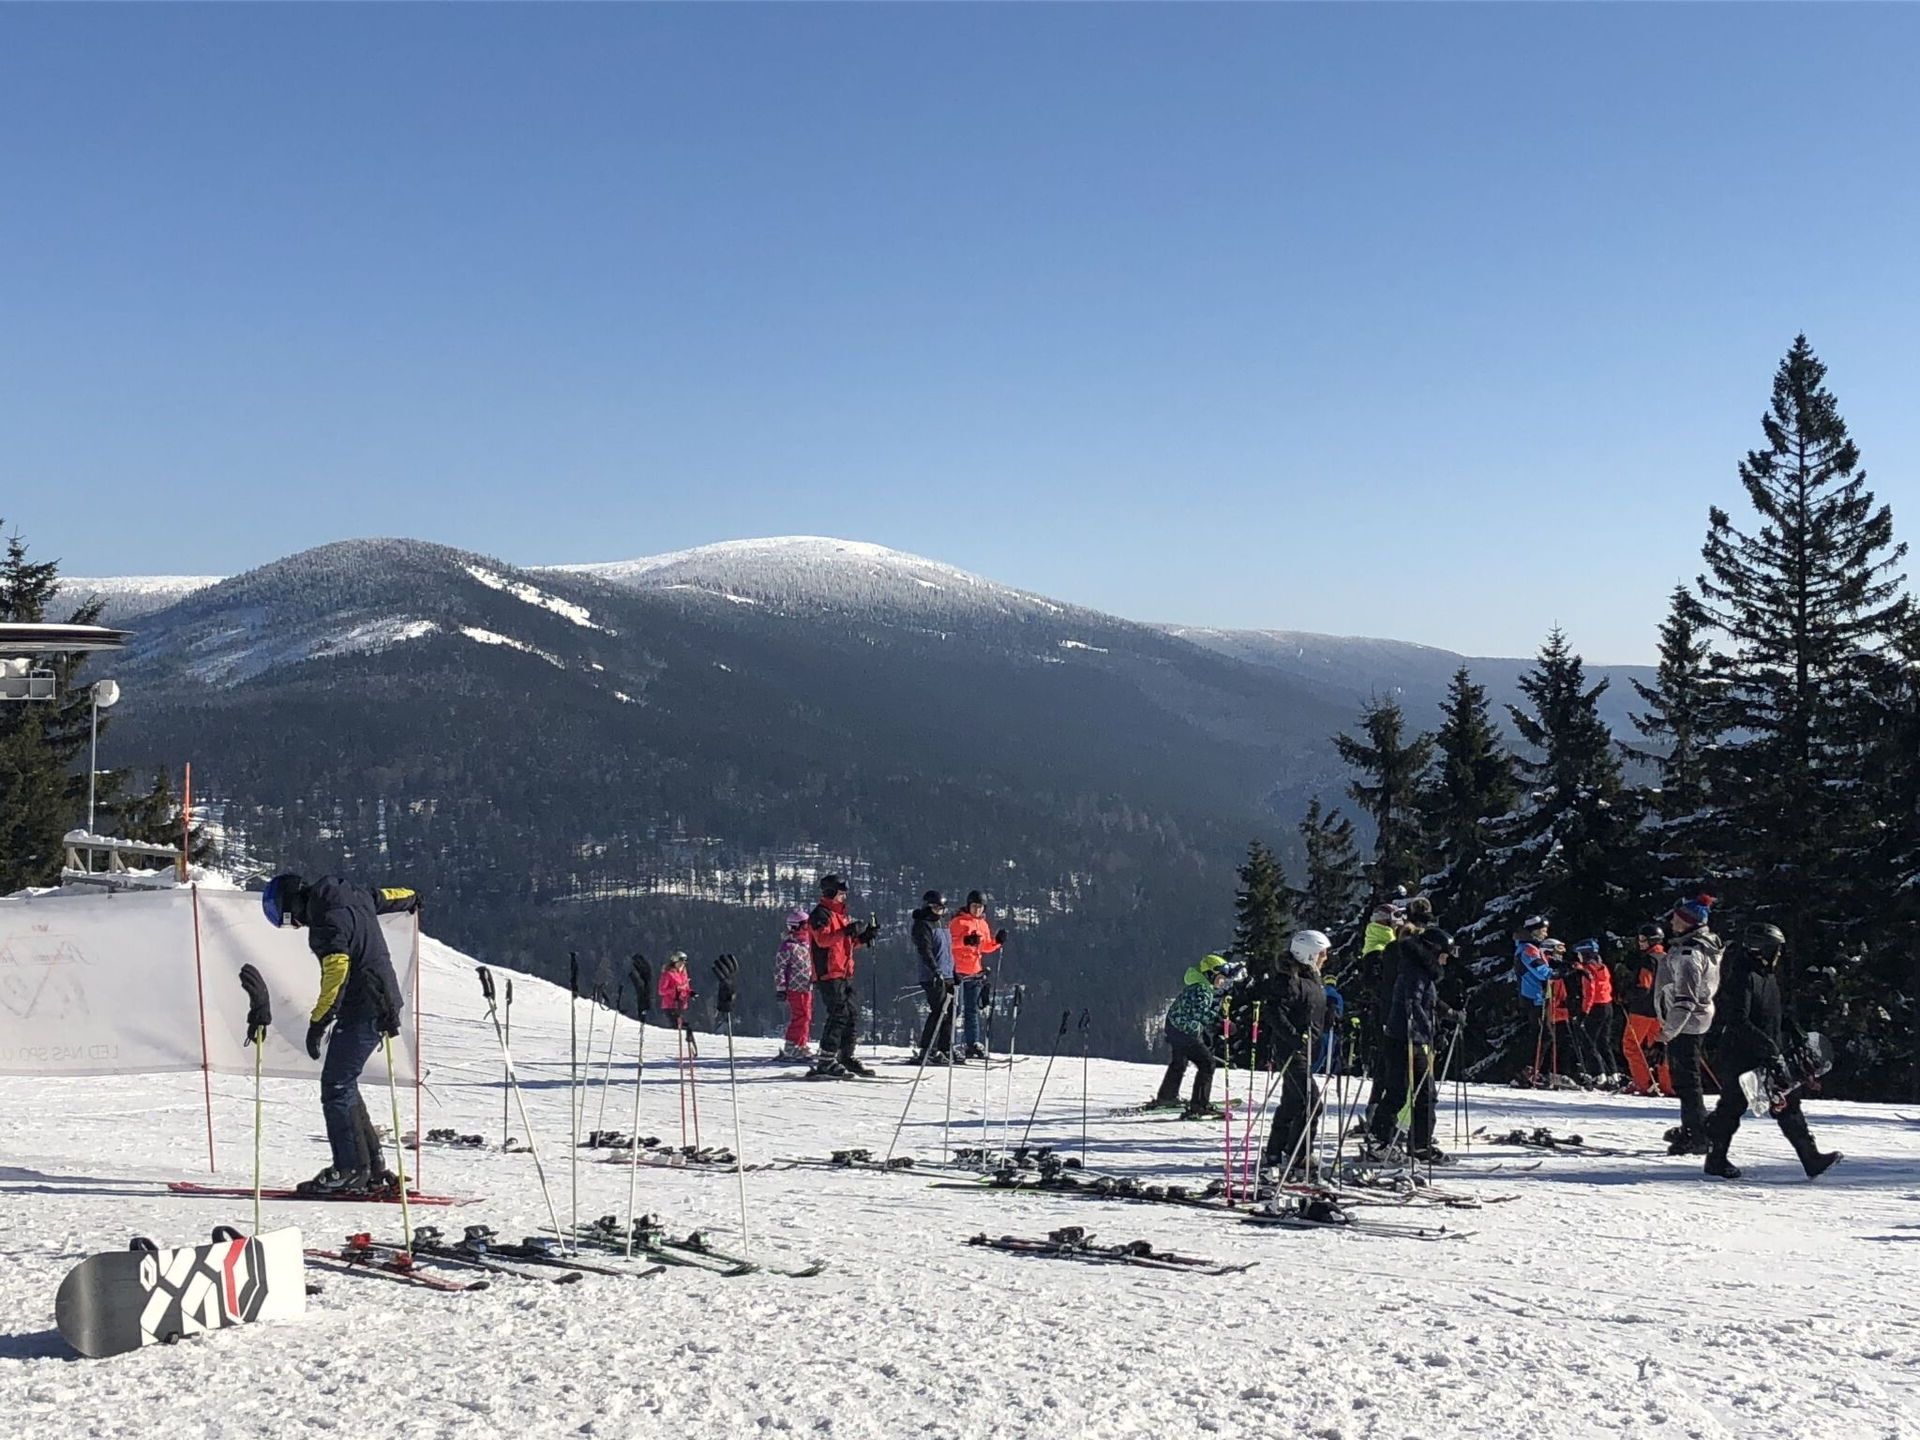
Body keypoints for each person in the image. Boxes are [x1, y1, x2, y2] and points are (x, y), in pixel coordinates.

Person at [261, 872, 417, 1194]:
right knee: (343, 1082)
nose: (297, 926)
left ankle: (349, 1169)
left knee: (336, 1085)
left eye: (290, 921)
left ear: (293, 906)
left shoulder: (326, 923)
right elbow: (387, 895)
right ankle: (371, 1166)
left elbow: (337, 971)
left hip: (367, 1007)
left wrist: (319, 1021)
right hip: (380, 1000)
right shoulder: (352, 893)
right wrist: (412, 897)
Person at [1701, 923, 1840, 1181]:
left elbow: (1775, 1013)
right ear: (1761, 949)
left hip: (1767, 1054)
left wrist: (1795, 1032)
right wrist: (1769, 1046)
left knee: (1788, 1103)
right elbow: (1739, 1021)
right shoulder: (1742, 976)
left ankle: (1811, 1159)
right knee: (1732, 1108)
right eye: (1775, 949)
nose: (1779, 955)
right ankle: (1715, 1158)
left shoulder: (1767, 975)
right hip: (1741, 1056)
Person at [1362, 924, 1456, 1164]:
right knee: (1398, 1091)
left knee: (1426, 1094)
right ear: (1434, 951)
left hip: (1415, 1038)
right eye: (1445, 954)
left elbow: (1428, 1002)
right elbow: (1412, 1004)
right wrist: (1428, 1033)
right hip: (1403, 1039)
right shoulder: (1414, 970)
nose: (1446, 960)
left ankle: (1420, 1145)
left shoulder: (1423, 971)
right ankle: (1379, 1141)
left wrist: (1449, 1013)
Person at [1655, 894, 1722, 1154]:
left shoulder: (1688, 953)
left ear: (1689, 922)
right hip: (1696, 1018)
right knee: (1687, 1077)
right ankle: (1694, 1127)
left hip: (1686, 1022)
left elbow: (1685, 999)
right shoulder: (1704, 945)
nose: (1672, 921)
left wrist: (1667, 1032)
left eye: (1678, 917)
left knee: (1686, 1080)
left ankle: (1697, 1134)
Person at [1260, 930, 1331, 1179]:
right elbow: (1274, 1012)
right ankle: (1299, 1155)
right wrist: (1294, 1036)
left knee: (1292, 1101)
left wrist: (1332, 1018)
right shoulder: (1288, 979)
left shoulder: (1310, 978)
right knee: (1312, 1102)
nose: (1325, 957)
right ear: (1309, 954)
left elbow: (1310, 1009)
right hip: (1291, 1050)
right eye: (1322, 953)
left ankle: (1274, 1152)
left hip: (1305, 1048)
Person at [808, 874, 879, 1079]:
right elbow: (822, 940)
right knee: (838, 1014)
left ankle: (845, 1055)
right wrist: (847, 932)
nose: (843, 897)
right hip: (828, 973)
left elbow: (847, 944)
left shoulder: (841, 915)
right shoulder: (820, 914)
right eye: (840, 893)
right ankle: (826, 1058)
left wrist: (865, 937)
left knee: (852, 1014)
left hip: (844, 972)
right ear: (830, 893)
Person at [1152, 954, 1237, 1118]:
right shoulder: (1203, 991)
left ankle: (1167, 1096)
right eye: (1220, 978)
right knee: (1207, 1063)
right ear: (1210, 974)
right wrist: (1224, 1025)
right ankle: (1199, 1105)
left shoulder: (1198, 986)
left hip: (1175, 1028)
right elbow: (1203, 1016)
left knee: (1180, 1062)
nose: (1223, 982)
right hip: (1185, 1032)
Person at [948, 891, 1005, 1060]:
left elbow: (984, 946)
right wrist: (965, 941)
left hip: (974, 970)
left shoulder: (983, 924)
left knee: (972, 1010)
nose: (977, 910)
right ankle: (948, 1043)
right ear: (968, 906)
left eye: (980, 907)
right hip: (957, 970)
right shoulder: (958, 922)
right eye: (974, 906)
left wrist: (997, 942)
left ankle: (972, 1043)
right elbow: (949, 943)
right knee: (955, 1009)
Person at [1620, 924, 1672, 1097]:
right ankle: (1668, 1085)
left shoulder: (1648, 959)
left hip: (1642, 1010)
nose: (1640, 943)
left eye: (1643, 939)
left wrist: (1625, 995)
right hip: (1661, 1011)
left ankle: (1643, 1083)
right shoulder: (1666, 957)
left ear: (1652, 941)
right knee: (1660, 1047)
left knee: (1631, 1045)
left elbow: (1644, 986)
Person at [910, 890, 961, 1065]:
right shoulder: (922, 925)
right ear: (928, 906)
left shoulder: (941, 923)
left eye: (942, 908)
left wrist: (953, 971)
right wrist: (935, 970)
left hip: (946, 974)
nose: (939, 911)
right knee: (939, 1011)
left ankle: (944, 1047)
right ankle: (927, 1048)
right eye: (936, 907)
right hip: (932, 975)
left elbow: (947, 951)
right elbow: (926, 950)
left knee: (952, 1011)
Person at [1513, 917, 1553, 1085]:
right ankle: (1529, 1071)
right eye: (1543, 930)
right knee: (1542, 1035)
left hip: (1539, 996)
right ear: (1534, 931)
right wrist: (1557, 971)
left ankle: (1536, 1070)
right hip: (1534, 997)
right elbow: (1541, 971)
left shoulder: (1533, 947)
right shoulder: (1528, 948)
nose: (1545, 934)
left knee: (1544, 1035)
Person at [1572, 940, 1617, 1086]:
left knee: (1589, 1041)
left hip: (1595, 1007)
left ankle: (1599, 1074)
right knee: (1604, 1041)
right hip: (1607, 1005)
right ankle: (1613, 1074)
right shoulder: (1602, 967)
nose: (1578, 957)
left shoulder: (1588, 971)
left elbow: (1589, 993)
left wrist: (1584, 1012)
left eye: (1579, 954)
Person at [774, 908, 816, 1061]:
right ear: (795, 927)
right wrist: (781, 988)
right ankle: (792, 1045)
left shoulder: (807, 944)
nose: (807, 929)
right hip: (794, 987)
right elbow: (780, 968)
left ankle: (802, 1043)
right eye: (805, 926)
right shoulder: (789, 946)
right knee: (801, 1015)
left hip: (807, 986)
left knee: (806, 1015)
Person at [658, 953, 696, 1057]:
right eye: (680, 962)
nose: (682, 965)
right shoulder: (668, 974)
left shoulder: (684, 973)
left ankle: (689, 1046)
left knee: (683, 1025)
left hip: (681, 1004)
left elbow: (686, 988)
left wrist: (690, 992)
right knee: (678, 1025)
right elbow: (661, 991)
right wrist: (674, 990)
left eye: (683, 963)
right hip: (670, 1005)